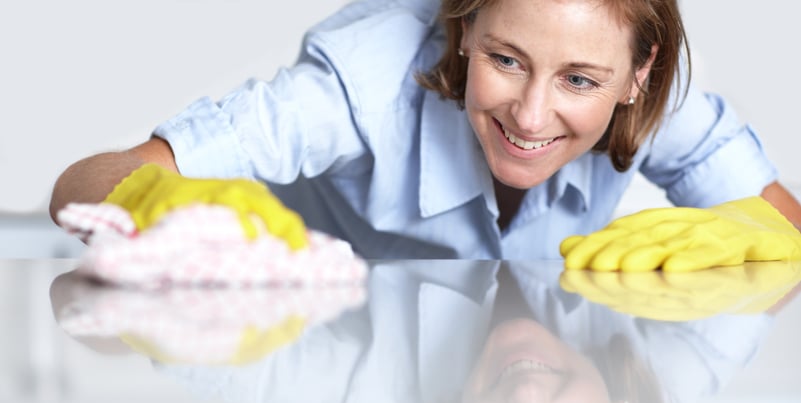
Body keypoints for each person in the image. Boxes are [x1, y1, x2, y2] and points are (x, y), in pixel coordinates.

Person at [49, 0, 801, 263]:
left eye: (579, 80)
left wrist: (757, 236)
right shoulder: (364, 82)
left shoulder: (649, 95)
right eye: (506, 60)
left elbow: (785, 226)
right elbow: (83, 183)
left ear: (640, 73)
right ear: (463, 27)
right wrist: (156, 206)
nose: (530, 116)